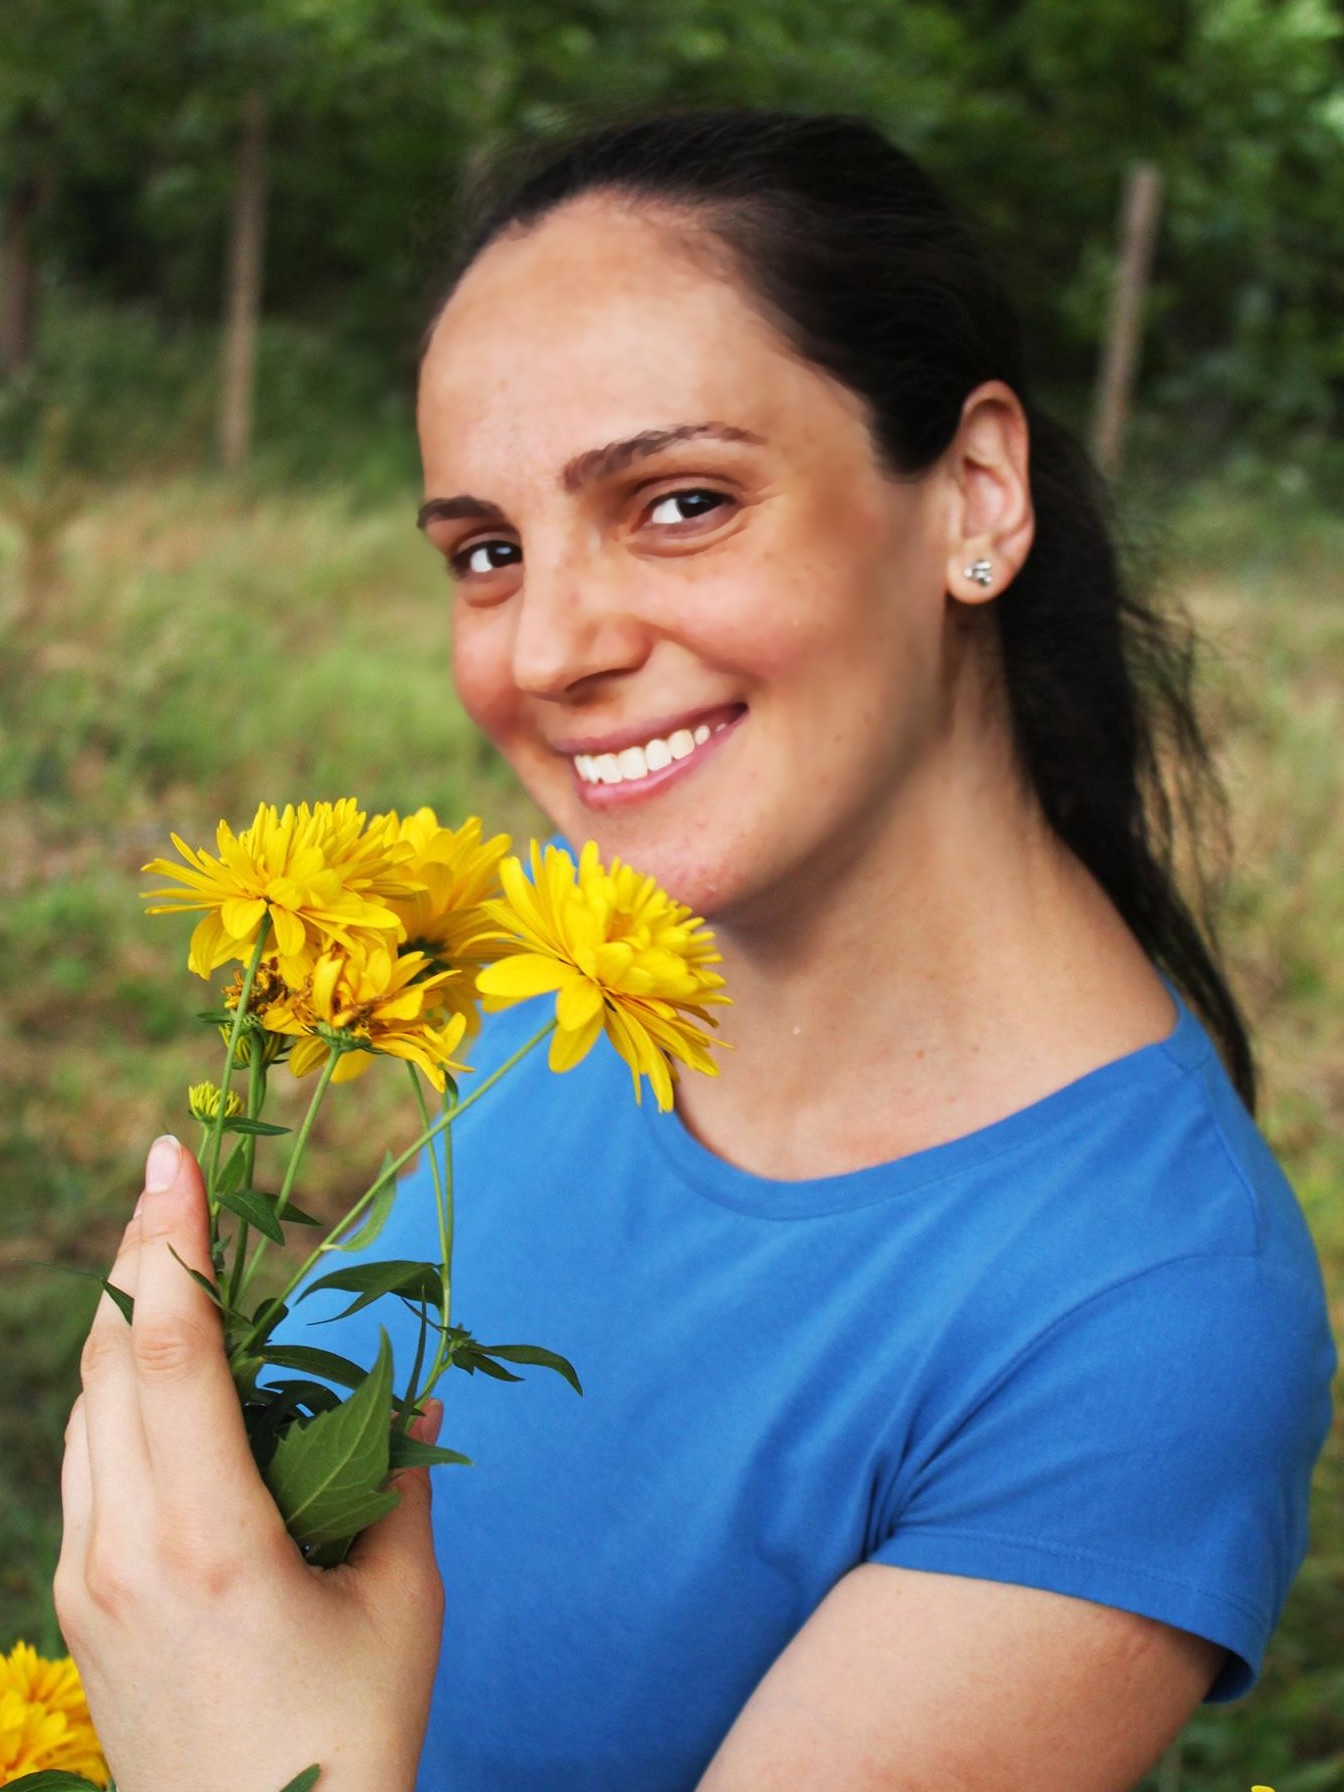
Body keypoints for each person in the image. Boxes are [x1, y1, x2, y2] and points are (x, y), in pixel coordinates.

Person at [57, 111, 1334, 1792]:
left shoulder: (1147, 1324)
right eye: (489, 552)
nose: (554, 648)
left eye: (678, 501)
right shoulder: (564, 974)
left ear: (975, 491)